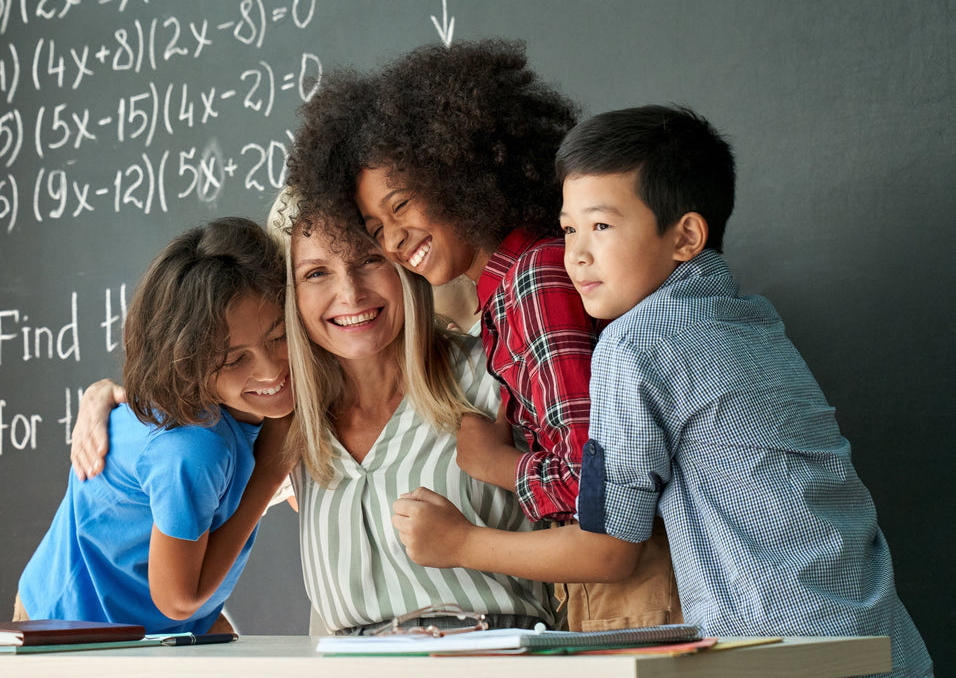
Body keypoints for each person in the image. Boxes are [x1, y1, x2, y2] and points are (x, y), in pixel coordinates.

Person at [391, 105, 933, 676]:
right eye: (569, 227)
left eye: (600, 226)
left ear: (685, 237)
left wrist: (459, 543)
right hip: (881, 640)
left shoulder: (631, 348)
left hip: (772, 652)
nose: (575, 253)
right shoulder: (756, 320)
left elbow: (607, 548)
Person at [286, 38, 679, 630]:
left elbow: (589, 492)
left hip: (627, 590)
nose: (393, 240)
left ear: (458, 173)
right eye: (376, 228)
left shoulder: (536, 282)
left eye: (402, 206)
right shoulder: (510, 290)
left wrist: (494, 465)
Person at [72, 190, 556, 636]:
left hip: (494, 653)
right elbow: (179, 390)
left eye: (370, 259)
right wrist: (107, 396)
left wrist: (468, 541)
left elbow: (608, 528)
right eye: (316, 273)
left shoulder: (497, 371)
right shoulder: (290, 419)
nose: (350, 294)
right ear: (289, 295)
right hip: (339, 660)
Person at [17, 218, 296, 635]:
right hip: (73, 622)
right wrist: (272, 471)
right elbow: (178, 600)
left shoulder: (262, 407)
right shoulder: (194, 447)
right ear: (191, 364)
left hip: (149, 612)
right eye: (236, 359)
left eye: (279, 337)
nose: (271, 368)